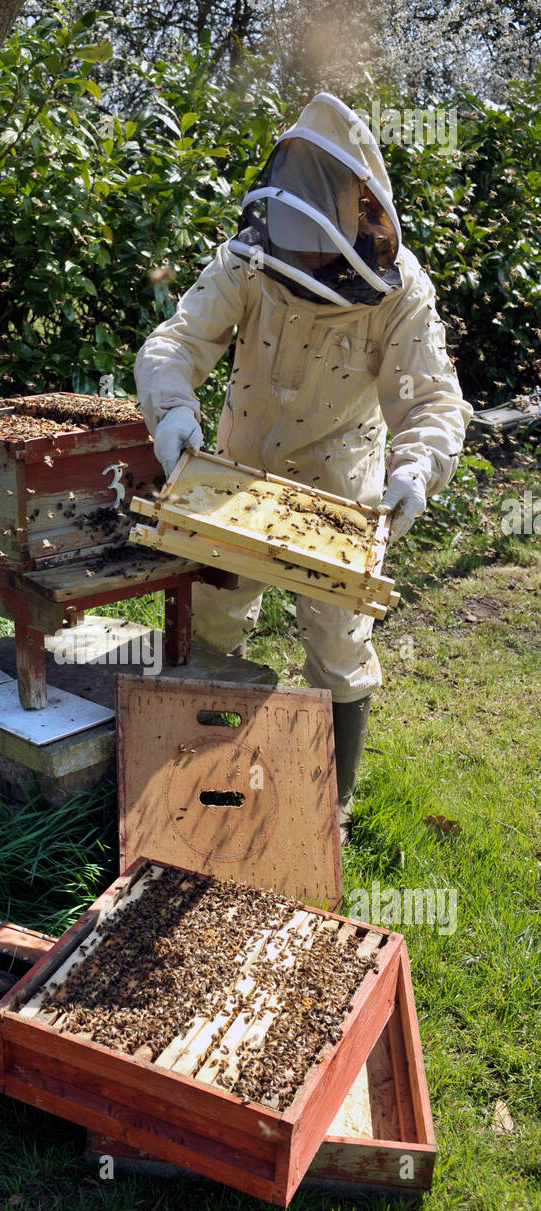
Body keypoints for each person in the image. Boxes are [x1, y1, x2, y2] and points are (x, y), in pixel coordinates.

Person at [134, 92, 472, 842]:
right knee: (216, 615)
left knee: (337, 638)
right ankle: (206, 781)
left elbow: (432, 403)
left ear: (358, 219)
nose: (299, 261)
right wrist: (173, 415)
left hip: (340, 477)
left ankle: (331, 807)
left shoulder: (400, 291)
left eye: (313, 248)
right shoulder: (247, 260)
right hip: (236, 464)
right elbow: (174, 344)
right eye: (288, 244)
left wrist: (416, 470)